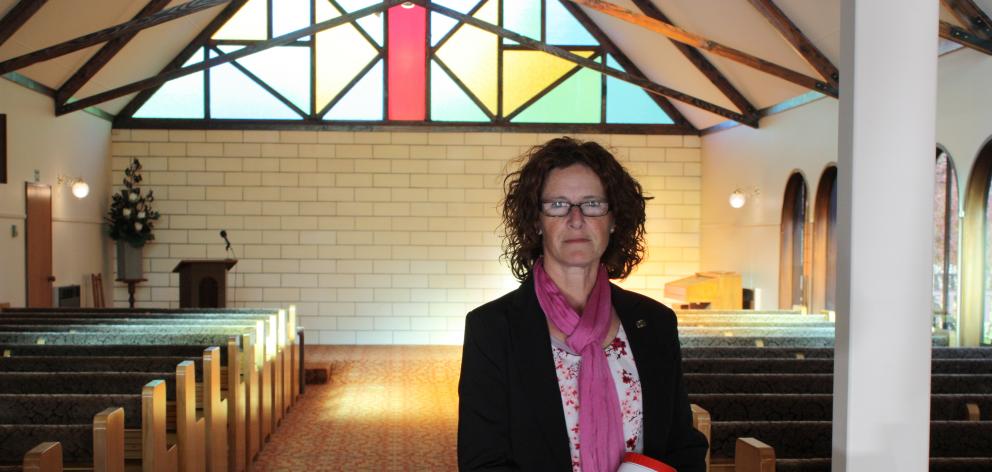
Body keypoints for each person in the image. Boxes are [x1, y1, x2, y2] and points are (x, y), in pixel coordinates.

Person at [457, 137, 708, 472]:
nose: (576, 219)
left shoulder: (655, 322)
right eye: (558, 205)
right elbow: (482, 463)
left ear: (614, 219)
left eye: (592, 204)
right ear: (536, 221)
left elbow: (682, 445)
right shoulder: (492, 328)